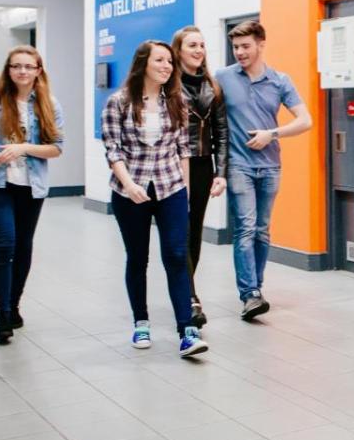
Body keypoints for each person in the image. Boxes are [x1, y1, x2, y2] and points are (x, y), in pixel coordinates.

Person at [102, 40, 207, 358]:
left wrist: (185, 194)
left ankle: (187, 330)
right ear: (143, 63)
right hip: (129, 191)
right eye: (160, 60)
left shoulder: (176, 102)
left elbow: (183, 151)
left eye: (169, 62)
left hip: (170, 187)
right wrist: (129, 183)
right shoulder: (118, 102)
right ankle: (141, 323)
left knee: (176, 256)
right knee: (137, 258)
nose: (167, 66)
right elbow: (113, 150)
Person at [0, 46, 64, 343]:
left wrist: (22, 148)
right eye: (16, 66)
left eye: (28, 67)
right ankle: (1, 315)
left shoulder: (49, 104)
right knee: (4, 243)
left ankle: (14, 304)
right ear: (8, 70)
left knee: (23, 246)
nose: (22, 72)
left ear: (38, 70)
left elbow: (57, 147)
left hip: (30, 185)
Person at [214, 20, 312, 321]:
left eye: (245, 46)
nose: (239, 52)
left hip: (270, 165)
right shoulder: (223, 77)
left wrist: (273, 133)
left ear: (261, 44)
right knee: (245, 227)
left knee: (262, 230)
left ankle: (256, 288)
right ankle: (250, 294)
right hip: (239, 165)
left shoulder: (280, 81)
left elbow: (305, 120)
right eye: (235, 47)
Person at [171, 26, 228, 331]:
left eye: (202, 45)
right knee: (178, 233)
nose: (198, 50)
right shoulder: (168, 85)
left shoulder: (213, 87)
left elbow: (221, 132)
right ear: (178, 50)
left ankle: (187, 292)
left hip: (203, 165)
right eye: (192, 45)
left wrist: (221, 173)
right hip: (174, 165)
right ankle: (190, 298)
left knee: (194, 232)